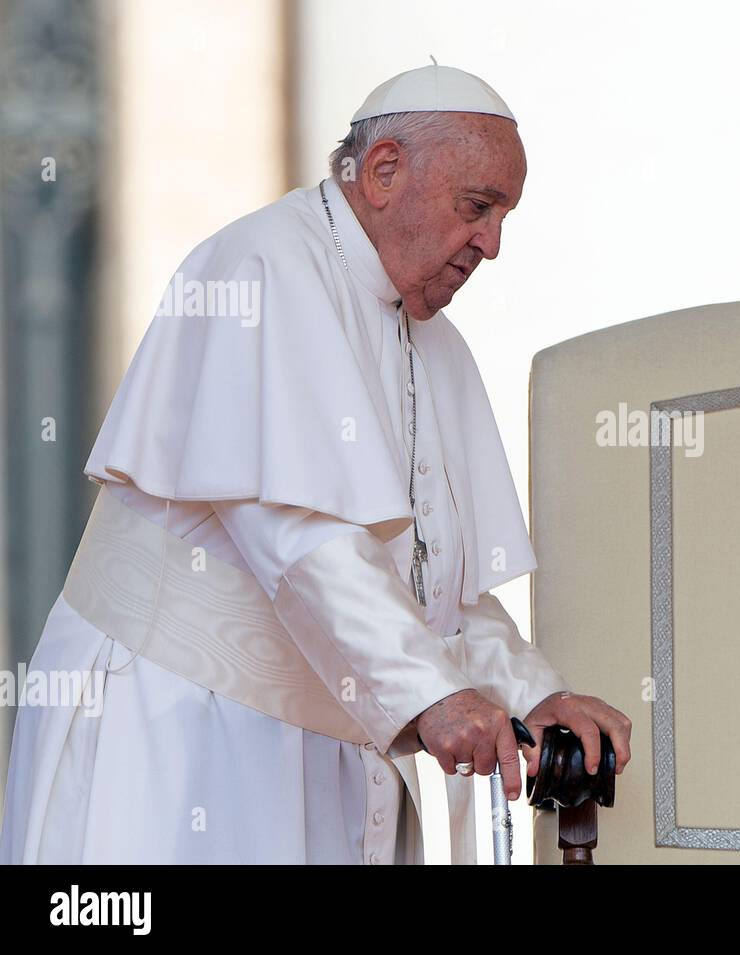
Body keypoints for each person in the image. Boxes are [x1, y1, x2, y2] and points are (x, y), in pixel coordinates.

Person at [0, 61, 631, 864]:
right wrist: (435, 695)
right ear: (384, 171)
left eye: (504, 216)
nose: (493, 245)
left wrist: (535, 695)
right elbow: (304, 539)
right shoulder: (262, 268)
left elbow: (437, 591)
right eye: (478, 208)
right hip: (180, 730)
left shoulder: (430, 340)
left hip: (317, 750)